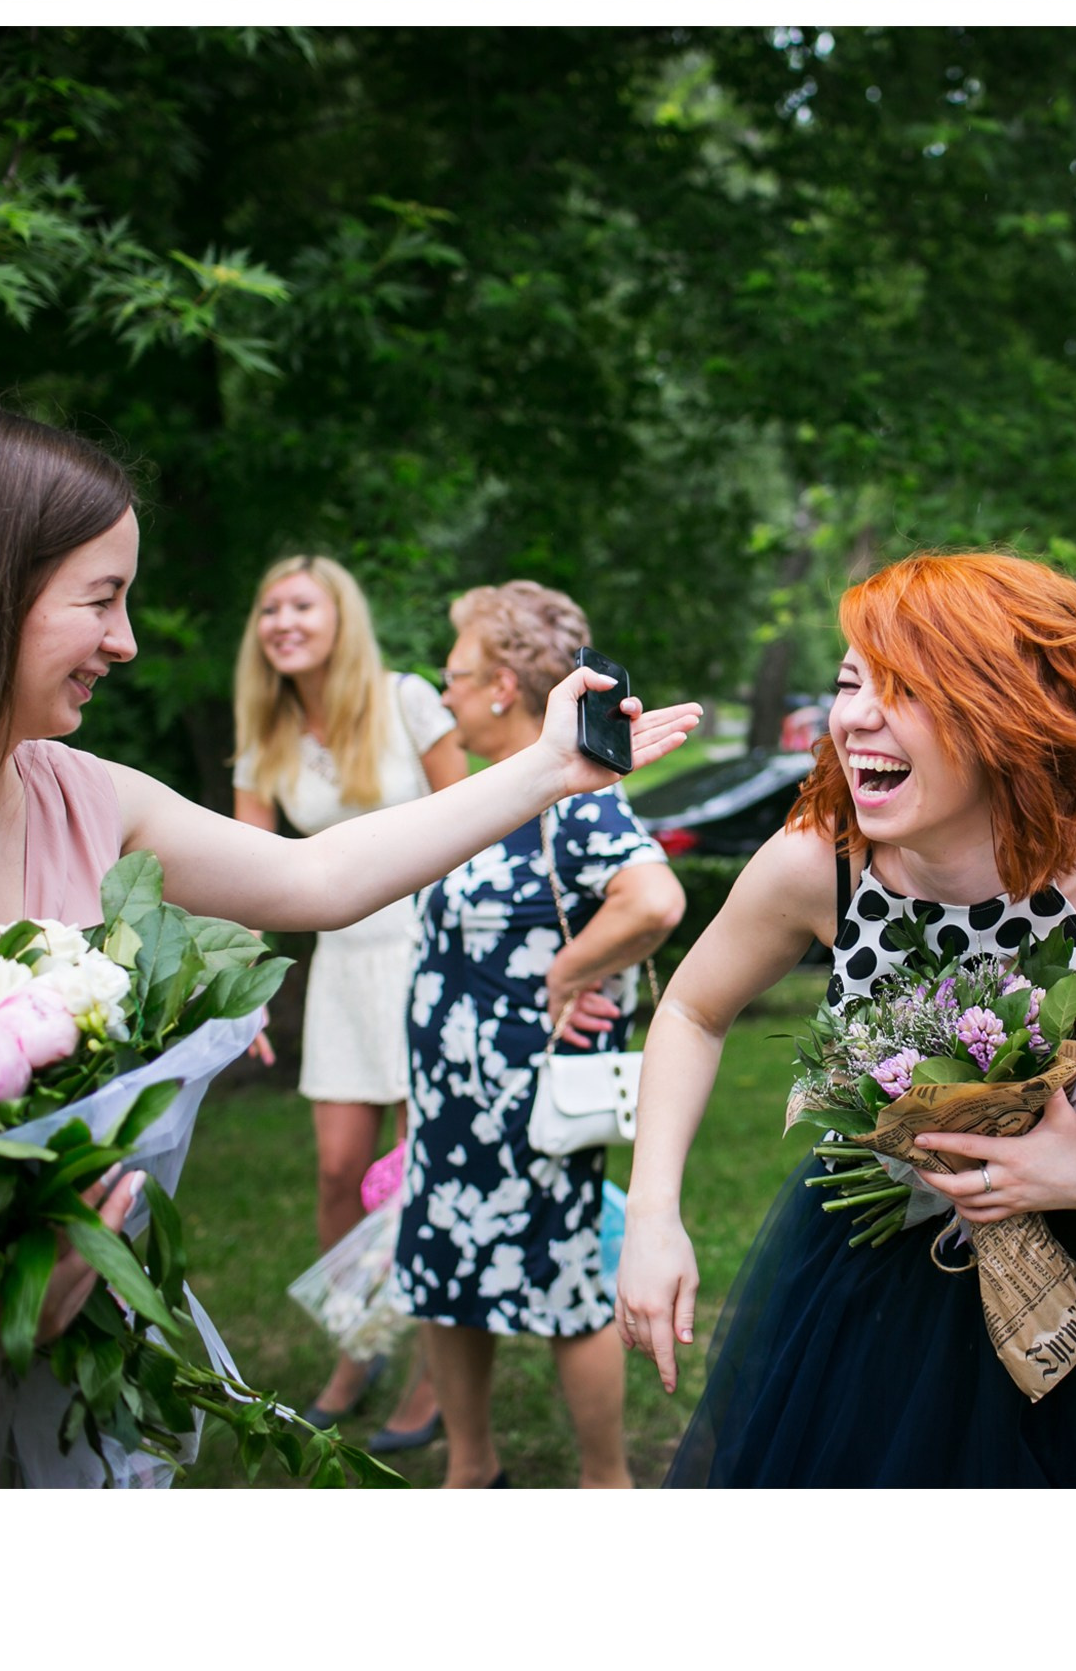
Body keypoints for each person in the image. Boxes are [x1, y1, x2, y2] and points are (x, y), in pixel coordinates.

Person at [0, 409, 701, 1407]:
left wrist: (551, 768)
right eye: (101, 600)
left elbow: (318, 879)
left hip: (68, 1374)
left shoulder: (89, 796)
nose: (124, 642)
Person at [620, 549, 1076, 1488]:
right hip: (875, 1289)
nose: (854, 714)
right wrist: (652, 1216)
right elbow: (693, 1009)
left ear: (1009, 711)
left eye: (902, 688)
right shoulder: (820, 864)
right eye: (851, 681)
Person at [391, 581, 689, 1491]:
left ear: (504, 686)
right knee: (445, 1270)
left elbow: (654, 898)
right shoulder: (486, 794)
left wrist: (567, 974)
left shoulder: (574, 795)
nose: (443, 695)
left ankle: (606, 1481)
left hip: (526, 1096)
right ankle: (470, 1469)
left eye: (457, 675)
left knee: (564, 1285)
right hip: (452, 1095)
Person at [230, 554, 468, 1440]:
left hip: (427, 950)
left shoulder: (407, 699)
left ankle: (436, 1371)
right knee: (339, 1170)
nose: (282, 622)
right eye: (268, 609)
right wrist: (244, 989)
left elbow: (474, 811)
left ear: (341, 619)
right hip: (341, 964)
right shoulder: (266, 731)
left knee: (421, 1171)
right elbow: (246, 878)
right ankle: (358, 1340)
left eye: (301, 605)